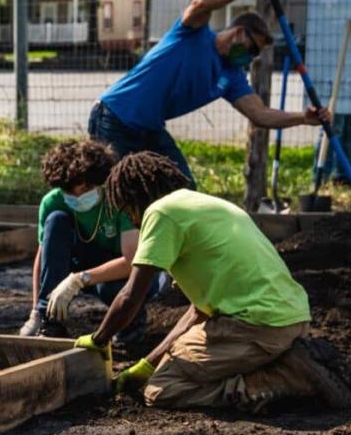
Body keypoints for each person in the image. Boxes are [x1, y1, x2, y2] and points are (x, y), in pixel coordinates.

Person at [74, 152, 351, 412]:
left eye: (125, 209)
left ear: (134, 197)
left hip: (254, 326)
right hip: (290, 318)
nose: (131, 218)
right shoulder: (204, 205)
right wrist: (148, 363)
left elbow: (130, 296)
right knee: (162, 371)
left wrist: (99, 339)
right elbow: (198, 311)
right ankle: (285, 359)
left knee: (162, 388)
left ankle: (283, 378)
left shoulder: (161, 213)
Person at [89, 0, 331, 187]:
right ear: (238, 32)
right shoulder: (192, 33)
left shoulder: (231, 77)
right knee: (114, 191)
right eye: (252, 49)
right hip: (114, 117)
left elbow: (261, 115)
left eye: (256, 54)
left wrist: (302, 117)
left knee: (183, 187)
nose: (251, 57)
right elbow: (201, 4)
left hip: (149, 128)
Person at [19, 139, 163, 341]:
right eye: (70, 191)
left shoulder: (120, 199)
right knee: (56, 220)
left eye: (84, 189)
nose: (77, 197)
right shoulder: (53, 202)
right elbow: (44, 257)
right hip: (84, 261)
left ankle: (129, 322)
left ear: (99, 181)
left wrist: (79, 279)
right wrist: (37, 309)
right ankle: (49, 322)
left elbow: (134, 262)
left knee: (111, 288)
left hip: (128, 272)